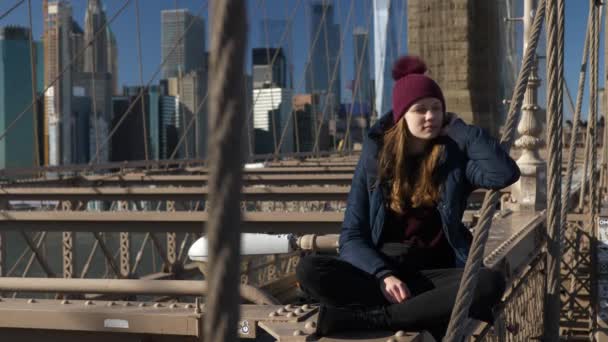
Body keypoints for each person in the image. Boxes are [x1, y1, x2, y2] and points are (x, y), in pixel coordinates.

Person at [296, 55, 520, 340]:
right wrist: (382, 276)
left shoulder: (454, 158)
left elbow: (503, 174)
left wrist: (460, 129)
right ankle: (422, 311)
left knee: (488, 282)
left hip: (435, 276)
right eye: (421, 109)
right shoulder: (374, 161)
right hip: (387, 273)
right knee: (309, 269)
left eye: (437, 108)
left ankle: (378, 318)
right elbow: (352, 235)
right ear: (402, 116)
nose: (431, 116)